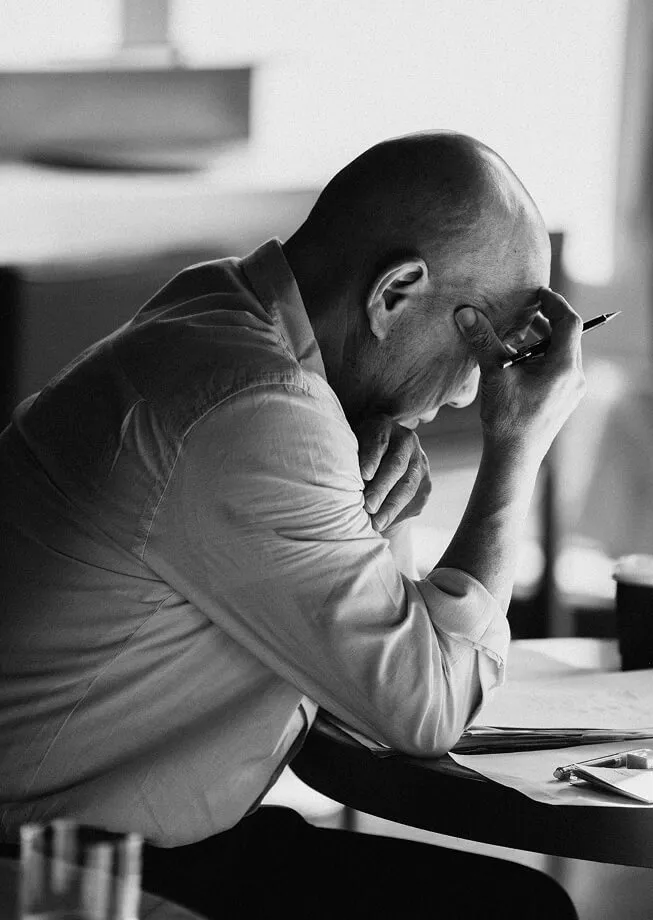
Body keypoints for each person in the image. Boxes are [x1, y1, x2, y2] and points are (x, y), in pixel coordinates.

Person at [0, 131, 584, 918]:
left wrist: (355, 467)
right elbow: (424, 708)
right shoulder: (256, 407)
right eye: (494, 345)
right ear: (394, 294)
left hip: (123, 841)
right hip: (60, 877)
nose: (474, 388)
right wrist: (519, 447)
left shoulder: (218, 309)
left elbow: (358, 671)